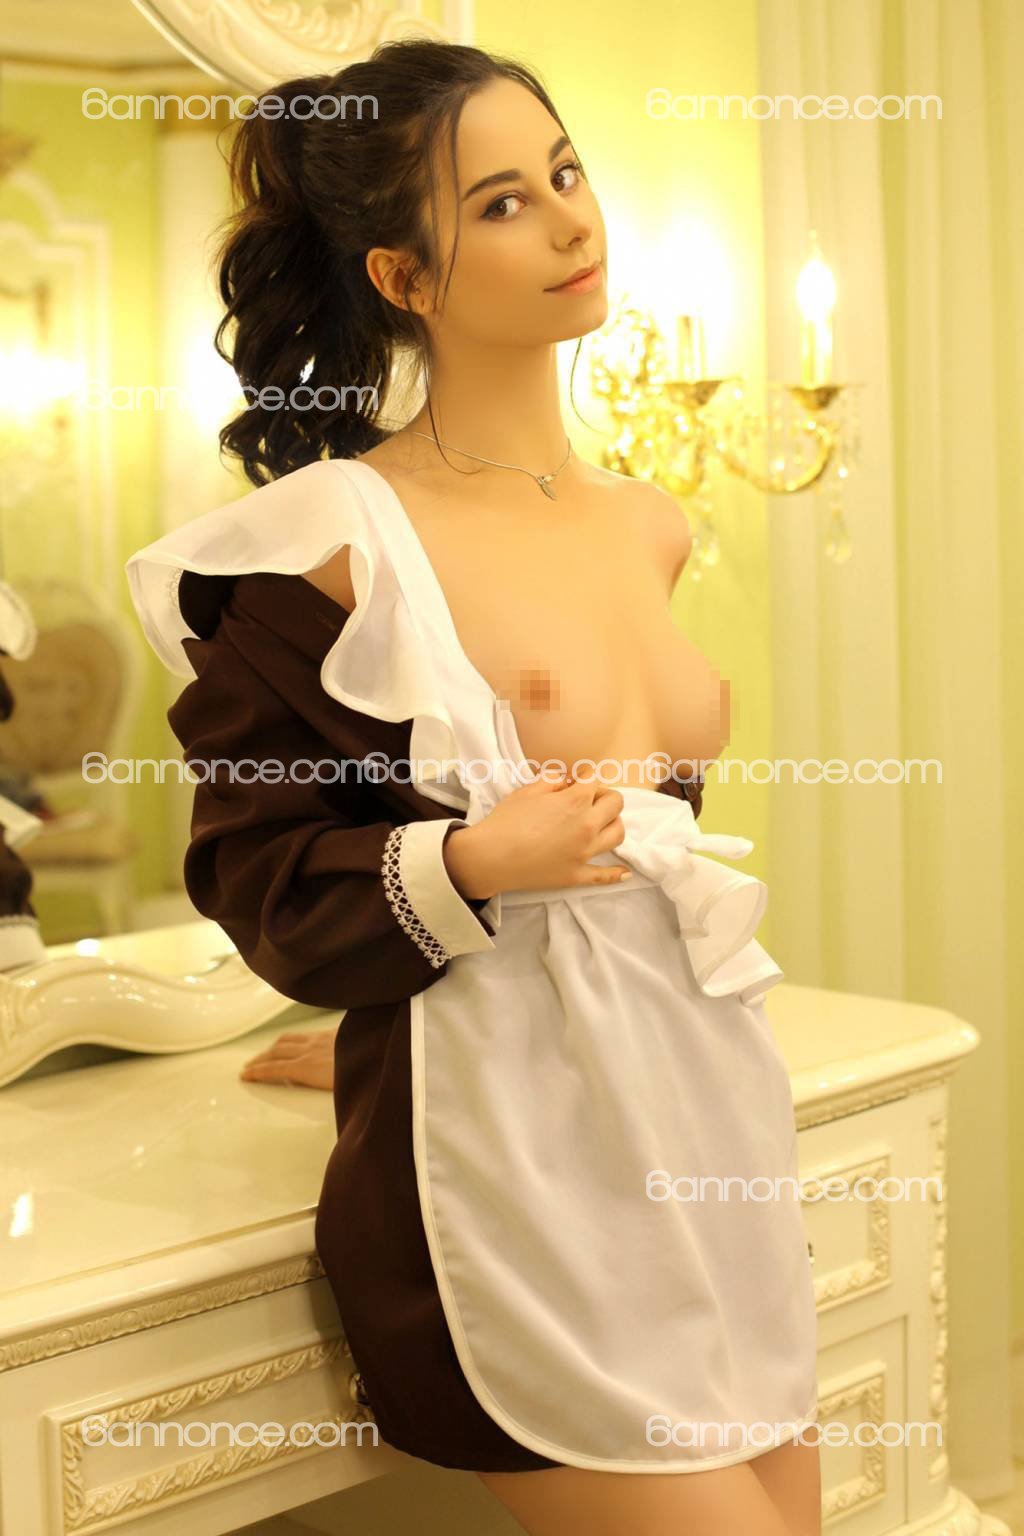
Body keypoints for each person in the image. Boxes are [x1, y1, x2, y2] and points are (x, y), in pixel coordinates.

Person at [126, 38, 821, 1536]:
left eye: (566, 173)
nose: (572, 221)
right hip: (518, 1166)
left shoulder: (649, 522)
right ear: (403, 276)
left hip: (708, 1116)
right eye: (503, 203)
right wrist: (466, 874)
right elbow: (257, 871)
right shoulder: (335, 543)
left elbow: (630, 870)